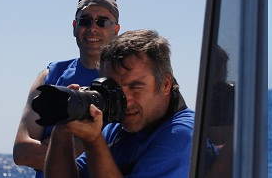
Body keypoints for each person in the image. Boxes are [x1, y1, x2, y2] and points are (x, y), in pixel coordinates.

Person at [44, 29, 194, 178]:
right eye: (113, 90)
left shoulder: (183, 135)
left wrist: (93, 140)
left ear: (166, 84)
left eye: (135, 87)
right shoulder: (116, 131)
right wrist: (62, 127)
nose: (124, 100)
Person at [13, 0, 121, 178]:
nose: (93, 28)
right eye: (85, 21)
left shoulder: (124, 81)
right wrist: (83, 139)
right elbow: (22, 153)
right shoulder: (50, 76)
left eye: (102, 22)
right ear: (74, 27)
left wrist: (52, 140)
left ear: (116, 30)